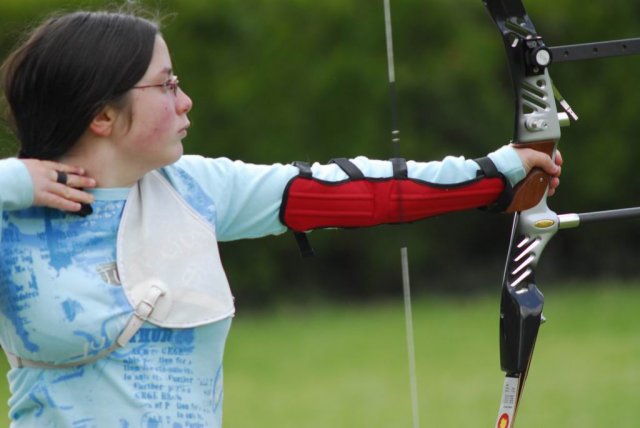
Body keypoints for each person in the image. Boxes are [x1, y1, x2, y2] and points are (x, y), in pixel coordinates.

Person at [0, 9, 562, 428]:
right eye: (166, 84)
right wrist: (16, 181)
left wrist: (496, 174)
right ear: (102, 113)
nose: (185, 100)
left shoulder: (194, 187)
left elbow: (350, 190)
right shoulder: (12, 217)